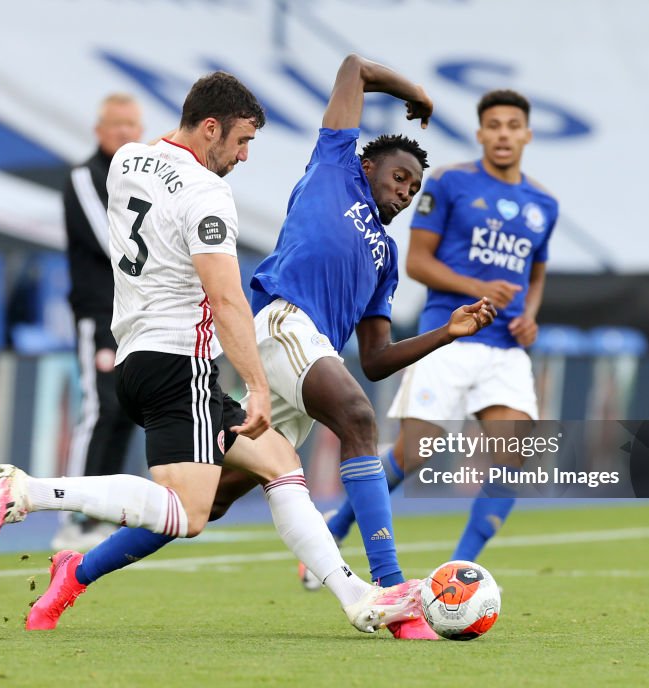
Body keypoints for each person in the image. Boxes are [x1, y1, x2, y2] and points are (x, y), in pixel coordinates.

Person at [0, 71, 425, 636]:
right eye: (240, 141)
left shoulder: (128, 162)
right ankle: (33, 492)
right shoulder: (208, 195)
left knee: (277, 469)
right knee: (185, 512)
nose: (242, 157)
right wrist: (258, 385)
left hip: (138, 352)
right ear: (210, 127)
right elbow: (226, 295)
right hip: (178, 360)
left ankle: (357, 597)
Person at [207, 54, 498, 640]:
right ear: (367, 163)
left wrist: (447, 331)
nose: (404, 192)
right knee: (360, 418)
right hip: (284, 323)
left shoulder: (386, 260)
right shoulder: (334, 167)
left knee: (206, 501)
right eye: (398, 178)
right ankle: (393, 590)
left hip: (312, 357)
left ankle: (76, 566)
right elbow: (351, 68)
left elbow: (376, 359)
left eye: (413, 189)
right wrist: (413, 89)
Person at [318, 88, 558, 573]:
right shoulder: (449, 183)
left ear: (527, 134)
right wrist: (479, 287)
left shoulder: (544, 204)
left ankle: (458, 574)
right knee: (414, 453)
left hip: (506, 348)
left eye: (513, 125)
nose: (504, 134)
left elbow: (535, 273)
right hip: (450, 337)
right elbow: (417, 261)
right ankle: (337, 527)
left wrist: (530, 312)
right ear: (480, 133)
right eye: (494, 125)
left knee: (512, 458)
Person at [54, 93, 144, 551]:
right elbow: (113, 242)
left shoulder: (142, 180)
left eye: (133, 125)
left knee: (124, 410)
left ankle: (101, 512)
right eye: (118, 125)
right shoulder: (84, 176)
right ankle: (73, 514)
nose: (127, 133)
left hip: (133, 314)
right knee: (97, 409)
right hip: (99, 312)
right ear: (99, 129)